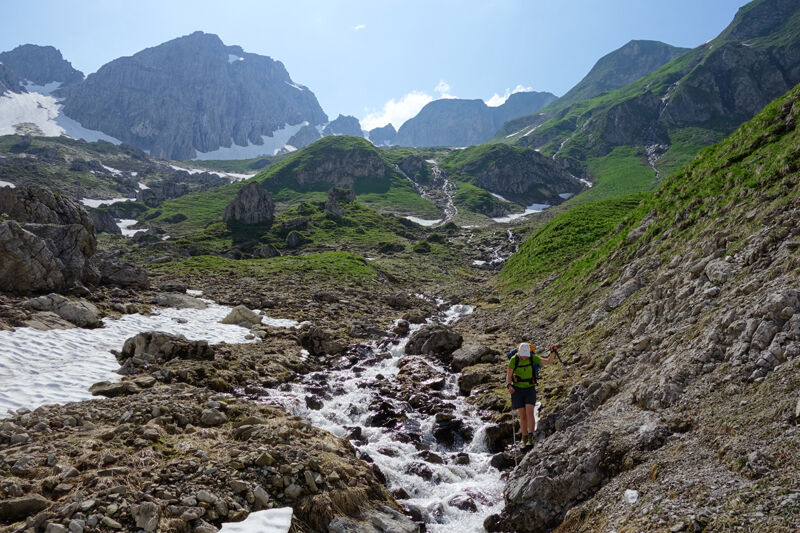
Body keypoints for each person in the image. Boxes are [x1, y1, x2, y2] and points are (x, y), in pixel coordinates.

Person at [506, 343, 556, 448]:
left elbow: (549, 362)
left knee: (529, 412)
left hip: (530, 389)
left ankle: (531, 438)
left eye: (526, 355)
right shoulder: (514, 360)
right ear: (519, 352)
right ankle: (524, 440)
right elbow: (509, 374)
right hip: (517, 390)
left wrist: (553, 352)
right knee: (522, 415)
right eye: (522, 355)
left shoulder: (532, 357)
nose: (524, 357)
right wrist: (509, 385)